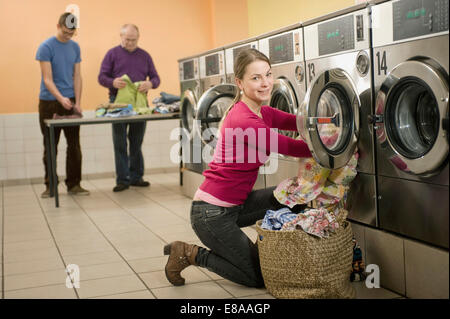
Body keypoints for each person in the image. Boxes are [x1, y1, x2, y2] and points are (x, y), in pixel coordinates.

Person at [164, 49, 312, 288]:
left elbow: (295, 121)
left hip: (237, 205)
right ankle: (190, 253)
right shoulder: (243, 119)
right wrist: (331, 145)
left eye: (268, 75)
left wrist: (328, 122)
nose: (265, 83)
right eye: (256, 78)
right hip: (211, 214)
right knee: (257, 278)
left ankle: (272, 252)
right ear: (239, 83)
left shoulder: (261, 111)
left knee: (294, 198)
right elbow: (288, 145)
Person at [98, 24, 160, 192]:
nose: (131, 43)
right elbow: (101, 77)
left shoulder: (145, 55)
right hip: (117, 103)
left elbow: (156, 78)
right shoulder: (112, 54)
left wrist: (150, 83)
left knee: (136, 141)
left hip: (140, 104)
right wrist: (112, 82)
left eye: (134, 40)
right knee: (119, 143)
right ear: (121, 37)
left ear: (138, 38)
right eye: (127, 40)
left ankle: (136, 177)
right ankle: (122, 180)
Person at [36, 12, 89, 198]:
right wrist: (60, 98)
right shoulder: (46, 47)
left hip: (70, 101)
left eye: (72, 34)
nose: (68, 37)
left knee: (74, 145)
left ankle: (74, 185)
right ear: (58, 26)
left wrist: (78, 102)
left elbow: (78, 76)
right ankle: (50, 185)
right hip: (50, 103)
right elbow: (47, 79)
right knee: (50, 145)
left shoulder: (75, 47)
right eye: (66, 32)